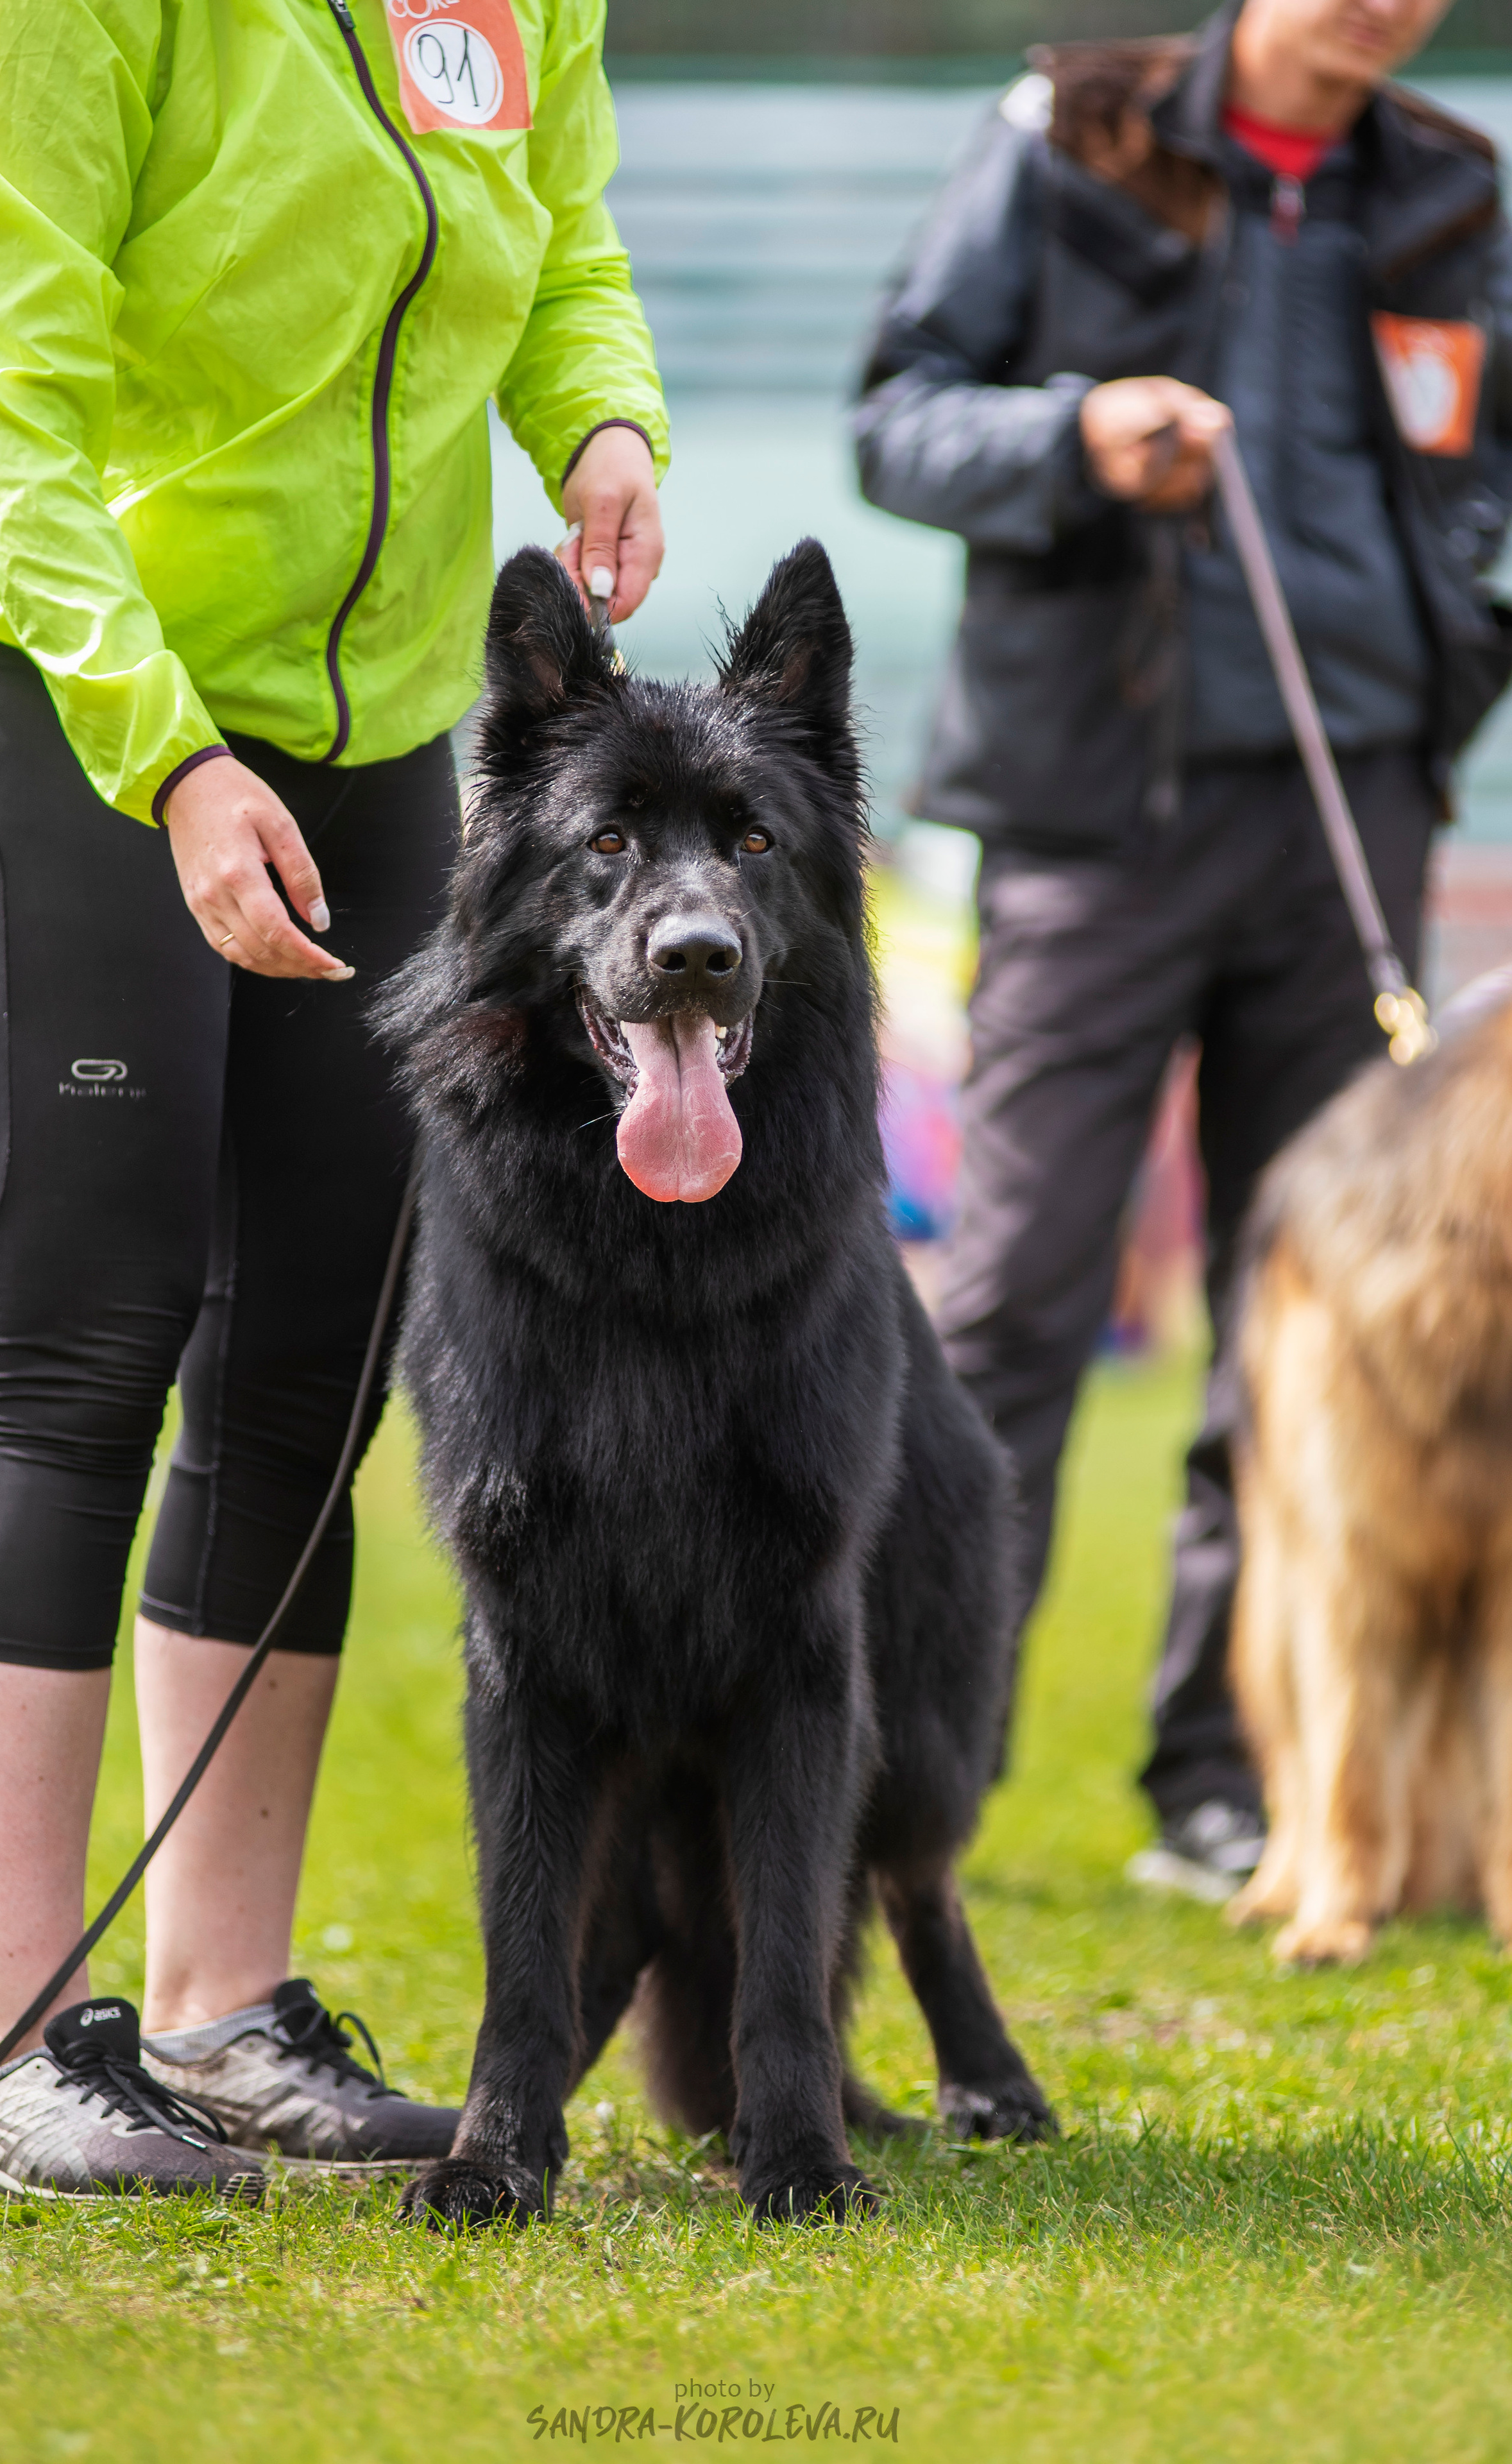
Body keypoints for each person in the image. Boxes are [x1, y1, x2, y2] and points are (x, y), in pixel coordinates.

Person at [0, 0, 667, 2199]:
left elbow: (567, 230)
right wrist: (172, 757)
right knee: (82, 1336)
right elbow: (5, 393)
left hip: (377, 714)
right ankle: (12, 2052)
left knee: (317, 1362)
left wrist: (599, 409)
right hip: (76, 683)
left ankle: (228, 2020)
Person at [854, 0, 1512, 1894]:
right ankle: (912, 1767)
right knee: (1013, 1310)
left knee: (1302, 1316)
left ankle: (1224, 1788)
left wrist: (1457, 593)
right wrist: (1077, 434)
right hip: (1094, 819)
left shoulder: (1450, 184)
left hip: (1354, 798)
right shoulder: (1073, 127)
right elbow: (898, 416)